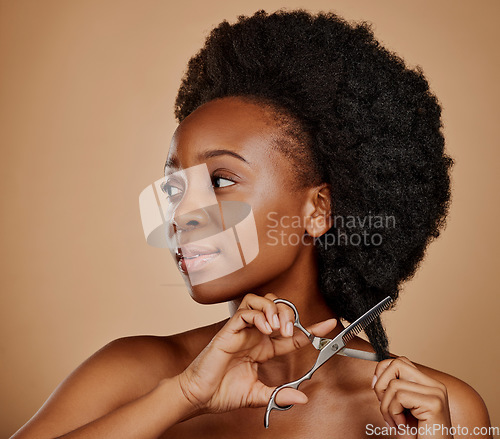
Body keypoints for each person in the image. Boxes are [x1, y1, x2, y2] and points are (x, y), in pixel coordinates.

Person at [11, 9, 491, 439]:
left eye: (220, 181)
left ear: (318, 210)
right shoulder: (134, 375)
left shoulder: (438, 409)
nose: (180, 214)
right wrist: (182, 398)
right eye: (176, 188)